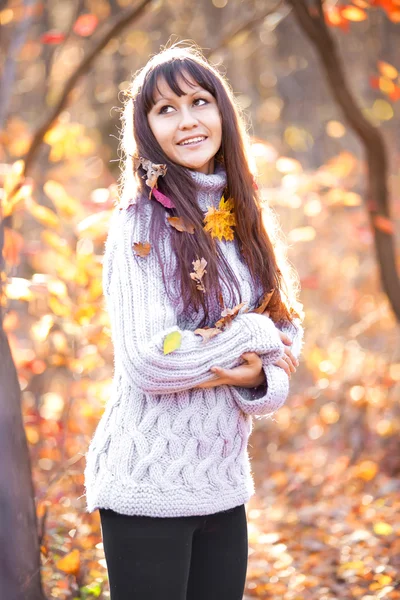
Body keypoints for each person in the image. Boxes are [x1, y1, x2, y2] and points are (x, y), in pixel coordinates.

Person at [84, 43, 304, 600]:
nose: (187, 121)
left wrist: (255, 377)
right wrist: (250, 338)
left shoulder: (245, 216)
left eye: (199, 101)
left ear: (222, 112)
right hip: (146, 483)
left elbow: (289, 343)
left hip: (222, 484)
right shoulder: (139, 226)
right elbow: (150, 360)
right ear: (146, 128)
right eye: (165, 109)